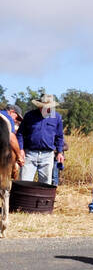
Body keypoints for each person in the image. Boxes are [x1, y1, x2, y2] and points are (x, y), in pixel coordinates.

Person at [18, 95, 65, 185]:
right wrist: (20, 149)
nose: (43, 109)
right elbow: (20, 133)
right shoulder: (29, 115)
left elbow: (59, 136)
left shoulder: (57, 117)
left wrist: (60, 152)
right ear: (38, 106)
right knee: (24, 183)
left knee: (45, 184)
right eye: (41, 107)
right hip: (29, 154)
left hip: (47, 155)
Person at [0, 109, 16, 238]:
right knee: (4, 185)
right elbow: (12, 139)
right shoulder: (6, 119)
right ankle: (5, 220)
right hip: (5, 154)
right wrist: (19, 156)